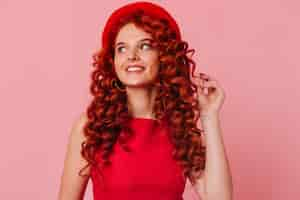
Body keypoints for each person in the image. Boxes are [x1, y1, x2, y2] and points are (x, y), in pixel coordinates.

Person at [58, 1, 233, 200]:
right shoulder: (91, 128)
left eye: (145, 46)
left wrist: (209, 116)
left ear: (164, 57)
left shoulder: (180, 130)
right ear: (112, 61)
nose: (132, 56)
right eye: (122, 49)